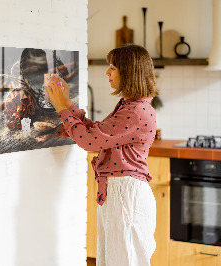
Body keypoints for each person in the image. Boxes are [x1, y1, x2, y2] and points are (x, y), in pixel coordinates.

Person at [45, 44, 158, 266]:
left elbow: (89, 141)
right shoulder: (131, 106)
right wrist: (67, 104)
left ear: (129, 71)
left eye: (113, 67)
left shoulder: (135, 111)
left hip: (126, 195)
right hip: (120, 193)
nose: (107, 72)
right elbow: (97, 133)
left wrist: (61, 108)